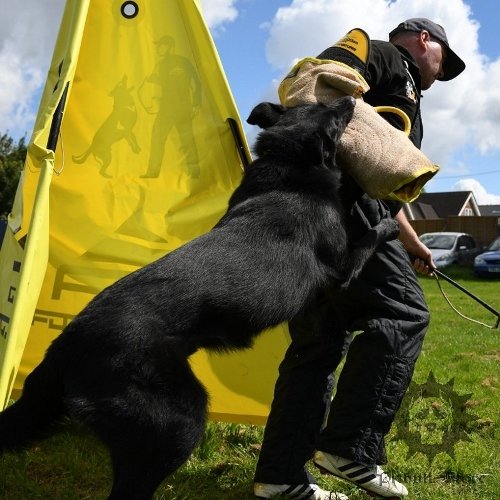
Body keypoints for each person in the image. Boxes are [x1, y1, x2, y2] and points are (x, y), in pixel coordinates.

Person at [253, 18, 466, 500]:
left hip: (317, 218)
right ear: (424, 41)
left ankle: (280, 479)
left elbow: (382, 188)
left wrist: (412, 243)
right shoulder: (390, 58)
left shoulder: (401, 90)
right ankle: (351, 447)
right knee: (403, 313)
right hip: (348, 216)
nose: (441, 72)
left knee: (316, 348)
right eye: (443, 60)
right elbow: (328, 72)